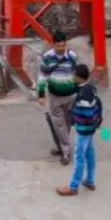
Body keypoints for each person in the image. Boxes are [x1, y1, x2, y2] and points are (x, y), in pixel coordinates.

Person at [56, 64, 103, 196]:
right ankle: (90, 180)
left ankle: (73, 187)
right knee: (90, 153)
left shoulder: (82, 96)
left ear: (78, 77)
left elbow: (84, 112)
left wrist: (74, 117)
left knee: (79, 157)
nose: (72, 77)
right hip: (91, 128)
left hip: (83, 130)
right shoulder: (91, 89)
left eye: (74, 75)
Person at [37, 31, 79, 164]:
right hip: (55, 96)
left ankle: (61, 145)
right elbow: (42, 76)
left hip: (71, 95)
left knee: (67, 124)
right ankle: (66, 151)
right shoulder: (47, 58)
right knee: (59, 124)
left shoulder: (72, 56)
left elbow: (78, 73)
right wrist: (41, 94)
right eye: (58, 46)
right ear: (53, 44)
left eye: (63, 46)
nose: (61, 48)